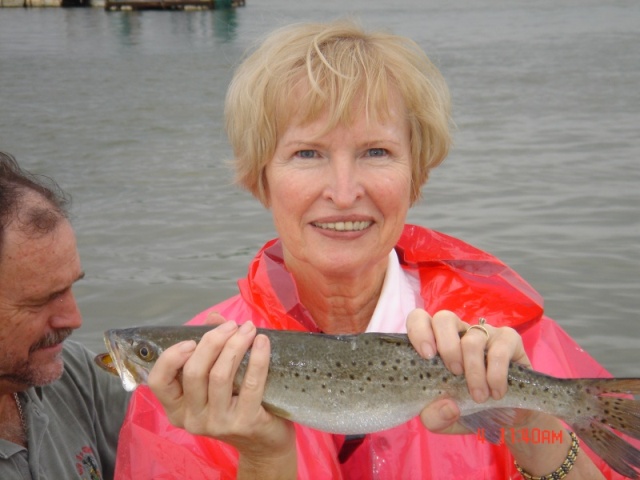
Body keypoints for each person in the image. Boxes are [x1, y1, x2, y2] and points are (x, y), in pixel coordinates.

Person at [115, 21, 630, 479]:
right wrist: (265, 460)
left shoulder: (516, 340)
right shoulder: (186, 379)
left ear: (417, 175)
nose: (343, 190)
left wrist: (533, 426)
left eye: (376, 151)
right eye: (307, 153)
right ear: (260, 179)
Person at [0, 152, 130, 480]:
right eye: (40, 301)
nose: (74, 319)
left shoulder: (74, 373)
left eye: (70, 287)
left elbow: (176, 446)